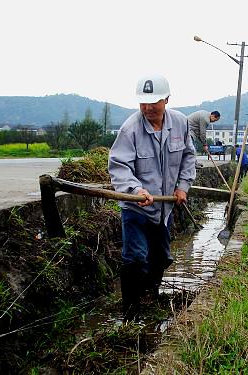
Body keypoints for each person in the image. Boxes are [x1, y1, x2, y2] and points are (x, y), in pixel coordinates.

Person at [108, 74, 196, 318]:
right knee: (135, 259)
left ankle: (150, 296)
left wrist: (183, 186)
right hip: (136, 207)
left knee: (161, 257)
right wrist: (135, 190)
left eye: (154, 102)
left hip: (164, 208)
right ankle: (130, 314)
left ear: (166, 99)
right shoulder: (130, 129)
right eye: (143, 102)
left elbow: (189, 156)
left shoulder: (180, 123)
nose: (148, 107)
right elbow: (119, 166)